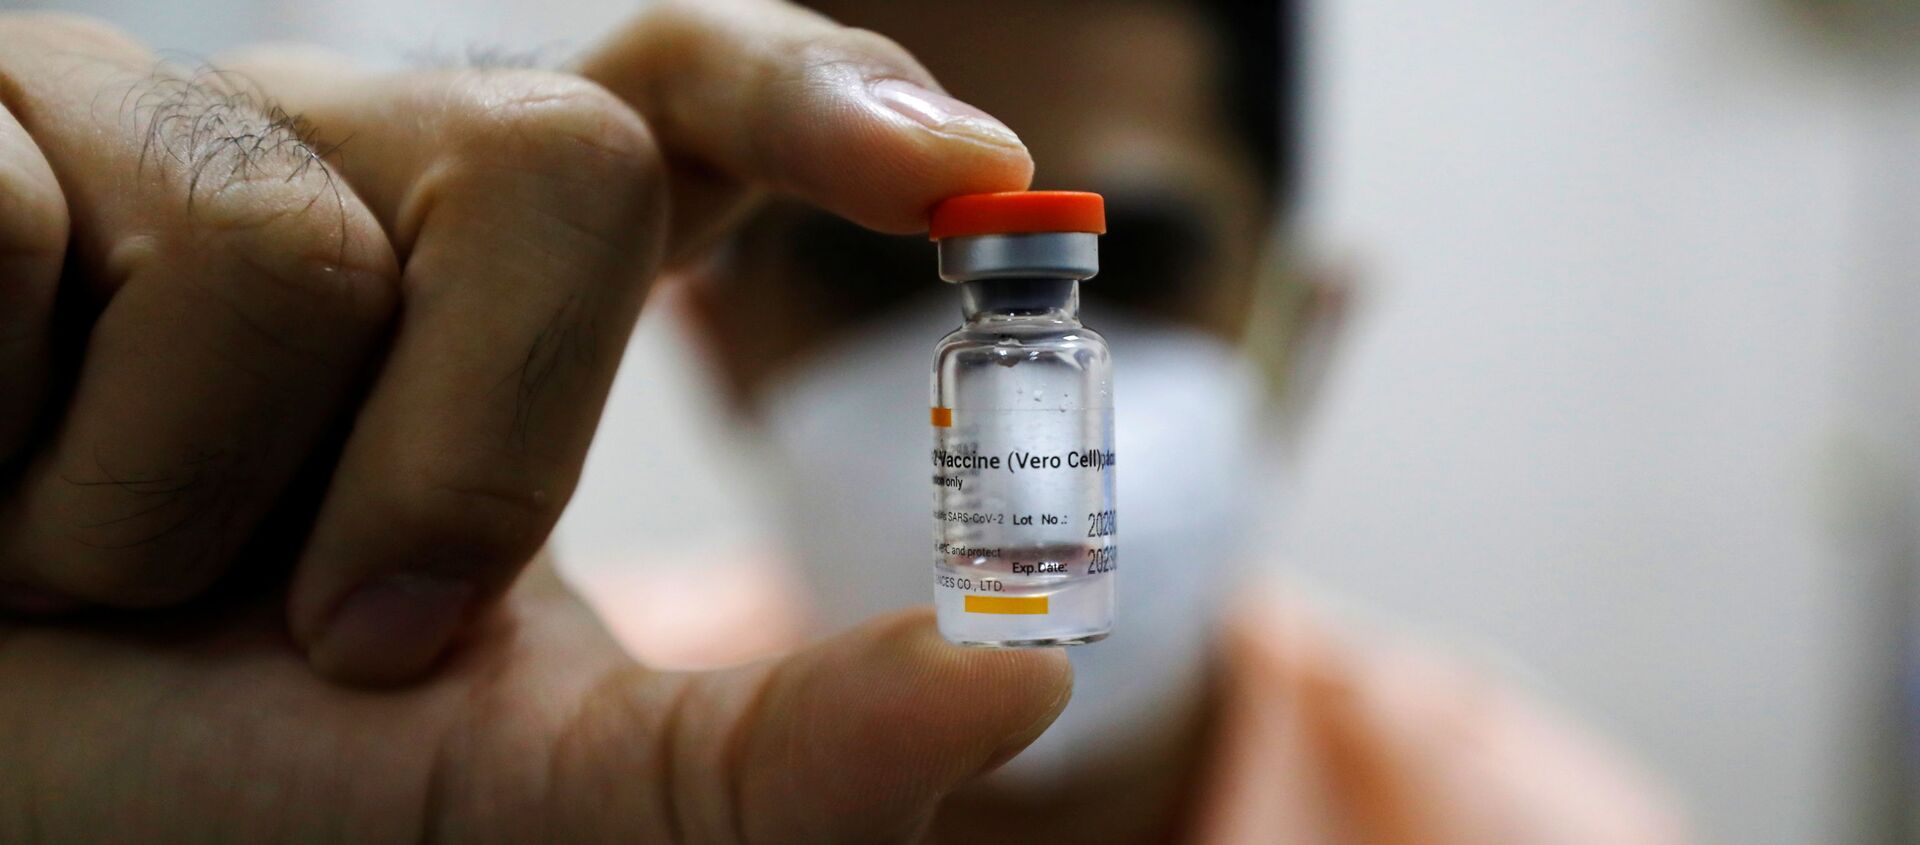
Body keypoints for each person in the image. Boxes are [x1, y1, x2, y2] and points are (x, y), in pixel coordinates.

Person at [0, 0, 1689, 841]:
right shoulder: (451, 720)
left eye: (1143, 259)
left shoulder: (1538, 821)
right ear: (719, 336)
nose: (1005, 345)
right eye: (864, 266)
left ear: (1296, 338)